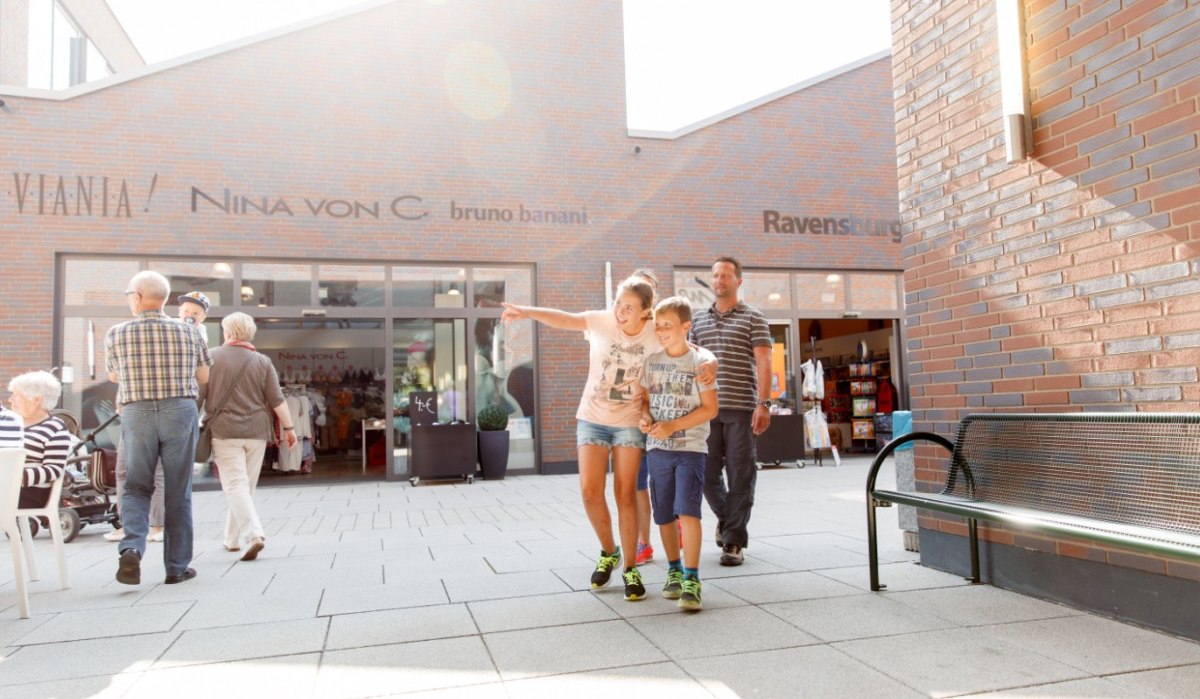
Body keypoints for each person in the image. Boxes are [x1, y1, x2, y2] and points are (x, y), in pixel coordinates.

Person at [501, 276, 715, 601]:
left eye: (629, 307)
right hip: (592, 419)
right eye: (618, 304)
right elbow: (565, 319)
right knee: (589, 492)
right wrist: (527, 311)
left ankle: (630, 568)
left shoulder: (654, 331)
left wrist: (712, 362)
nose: (620, 311)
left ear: (645, 311)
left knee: (625, 494)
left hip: (629, 422)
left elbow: (691, 348)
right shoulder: (602, 321)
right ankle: (609, 551)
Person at [105, 271, 211, 585]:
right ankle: (176, 567)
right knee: (178, 490)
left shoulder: (116, 333)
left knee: (137, 485)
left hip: (137, 411)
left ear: (137, 297)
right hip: (179, 409)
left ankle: (132, 549)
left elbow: (113, 376)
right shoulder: (190, 331)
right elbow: (204, 376)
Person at [689, 256, 772, 566]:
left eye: (725, 275)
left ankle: (733, 542)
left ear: (738, 281)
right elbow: (690, 363)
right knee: (705, 473)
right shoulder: (698, 319)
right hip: (705, 410)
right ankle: (728, 521)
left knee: (741, 475)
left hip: (741, 408)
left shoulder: (754, 317)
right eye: (715, 275)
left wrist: (764, 404)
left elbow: (763, 361)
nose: (719, 280)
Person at [639, 296, 718, 611]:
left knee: (688, 511)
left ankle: (692, 578)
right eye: (658, 326)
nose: (661, 331)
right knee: (664, 514)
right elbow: (645, 402)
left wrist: (673, 426)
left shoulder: (701, 363)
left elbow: (710, 409)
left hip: (690, 450)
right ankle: (673, 570)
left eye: (667, 326)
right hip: (657, 450)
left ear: (686, 327)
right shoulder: (651, 362)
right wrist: (644, 418)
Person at [200, 312, 296, 561]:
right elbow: (277, 399)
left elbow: (198, 397)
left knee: (235, 485)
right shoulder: (262, 361)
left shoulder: (210, 357)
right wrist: (289, 429)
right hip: (256, 431)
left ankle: (253, 535)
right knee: (245, 487)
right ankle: (231, 539)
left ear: (228, 332)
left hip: (224, 430)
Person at [7, 371, 73, 509]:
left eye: (16, 395)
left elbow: (54, 469)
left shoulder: (54, 428)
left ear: (37, 399)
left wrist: (13, 477)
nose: (10, 400)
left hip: (28, 493)